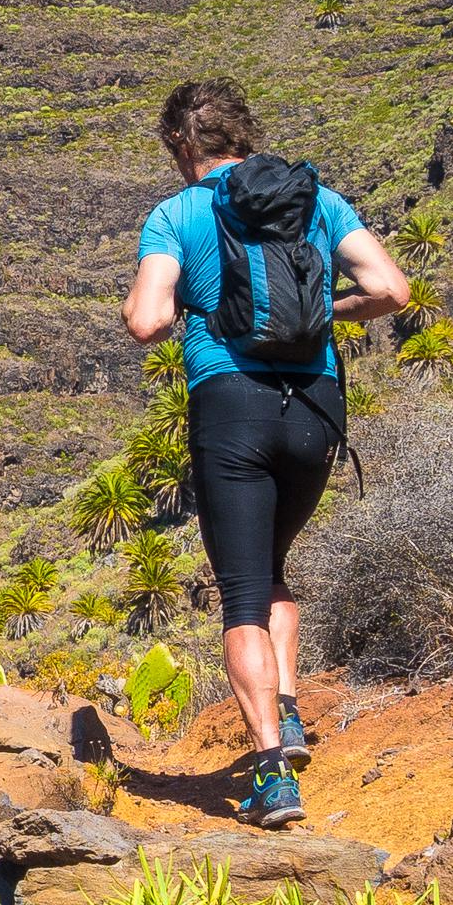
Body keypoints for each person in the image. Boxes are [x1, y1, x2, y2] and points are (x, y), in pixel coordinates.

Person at [116, 78, 410, 829]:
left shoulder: (176, 214)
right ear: (243, 133)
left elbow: (146, 321)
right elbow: (391, 289)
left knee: (242, 590)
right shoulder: (317, 199)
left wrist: (190, 303)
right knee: (273, 569)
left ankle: (273, 773)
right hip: (314, 408)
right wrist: (322, 313)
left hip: (232, 408)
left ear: (182, 147)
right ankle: (287, 709)